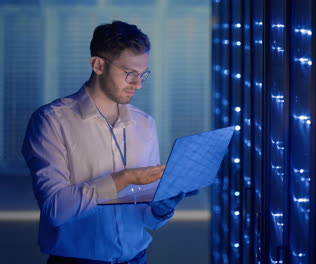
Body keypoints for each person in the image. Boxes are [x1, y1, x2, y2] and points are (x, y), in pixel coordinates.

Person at [22, 20, 196, 264]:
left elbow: (145, 219)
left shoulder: (145, 124)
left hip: (137, 259)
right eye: (129, 73)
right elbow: (55, 210)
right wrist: (124, 178)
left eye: (143, 73)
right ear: (98, 65)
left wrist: (162, 206)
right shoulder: (51, 121)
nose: (138, 83)